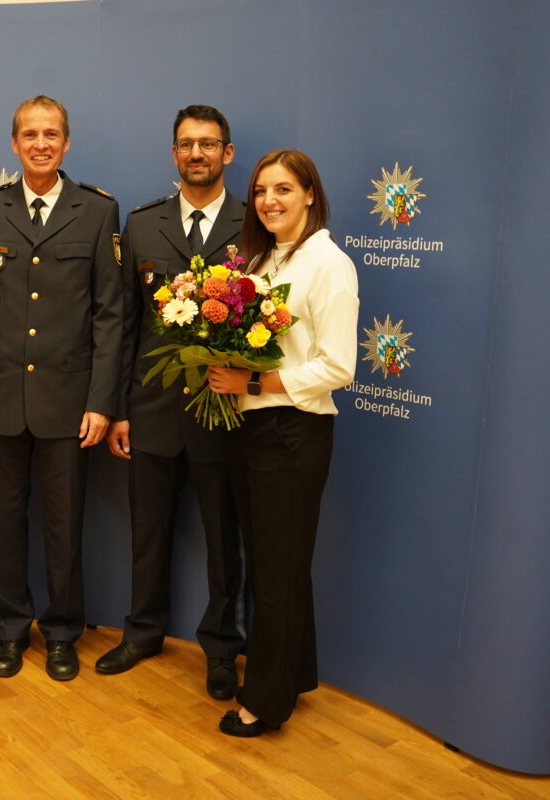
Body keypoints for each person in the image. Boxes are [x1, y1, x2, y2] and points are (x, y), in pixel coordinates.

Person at [0, 96, 122, 681]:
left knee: (63, 526)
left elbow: (109, 316)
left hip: (69, 403)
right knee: (1, 524)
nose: (41, 144)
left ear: (67, 143)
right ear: (14, 144)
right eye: (30, 134)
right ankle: (7, 630)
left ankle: (61, 633)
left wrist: (102, 402)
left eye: (51, 134)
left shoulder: (97, 212)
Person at [207, 149, 359, 736]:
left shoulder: (329, 264)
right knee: (279, 568)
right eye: (262, 190)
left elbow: (339, 365)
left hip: (293, 433)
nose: (270, 200)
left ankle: (264, 703)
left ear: (310, 195)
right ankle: (292, 675)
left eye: (284, 190)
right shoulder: (265, 259)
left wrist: (258, 381)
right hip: (252, 430)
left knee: (276, 572)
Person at [100, 105, 247, 700]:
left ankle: (221, 648)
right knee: (148, 533)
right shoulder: (142, 225)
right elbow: (124, 327)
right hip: (152, 409)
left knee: (223, 539)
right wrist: (118, 409)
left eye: (208, 145)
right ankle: (143, 632)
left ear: (227, 154)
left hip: (227, 413)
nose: (196, 155)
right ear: (173, 154)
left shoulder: (254, 222)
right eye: (186, 145)